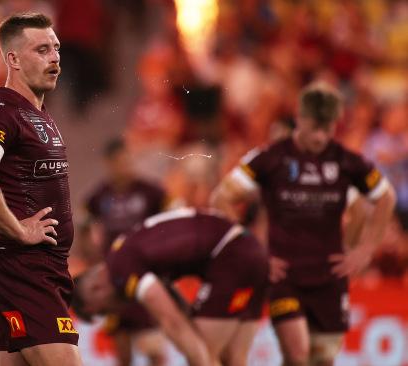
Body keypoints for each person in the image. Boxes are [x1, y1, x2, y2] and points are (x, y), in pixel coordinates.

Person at [210, 82, 397, 366]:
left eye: (328, 128)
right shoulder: (271, 159)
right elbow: (221, 198)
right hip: (285, 277)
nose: (321, 137)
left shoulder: (346, 162)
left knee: (321, 359)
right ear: (300, 119)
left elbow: (384, 198)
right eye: (315, 129)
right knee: (298, 354)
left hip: (329, 279)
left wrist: (363, 250)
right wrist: (254, 254)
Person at [0, 12, 81, 366]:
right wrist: (18, 229)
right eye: (42, 50)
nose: (55, 57)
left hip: (44, 270)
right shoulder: (1, 112)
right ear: (12, 59)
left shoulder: (37, 113)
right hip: (24, 270)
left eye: (56, 48)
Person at [73, 207, 269, 366]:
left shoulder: (121, 268)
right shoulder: (122, 251)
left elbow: (171, 320)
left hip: (230, 257)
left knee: (203, 354)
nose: (113, 312)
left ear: (96, 288)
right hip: (251, 250)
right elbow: (172, 298)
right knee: (232, 359)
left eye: (103, 311)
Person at [83, 137, 168, 366]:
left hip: (144, 276)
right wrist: (90, 254)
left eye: (127, 161)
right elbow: (83, 225)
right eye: (119, 162)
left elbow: (169, 222)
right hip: (114, 282)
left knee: (153, 348)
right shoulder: (99, 196)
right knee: (121, 349)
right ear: (108, 164)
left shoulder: (151, 192)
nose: (125, 166)